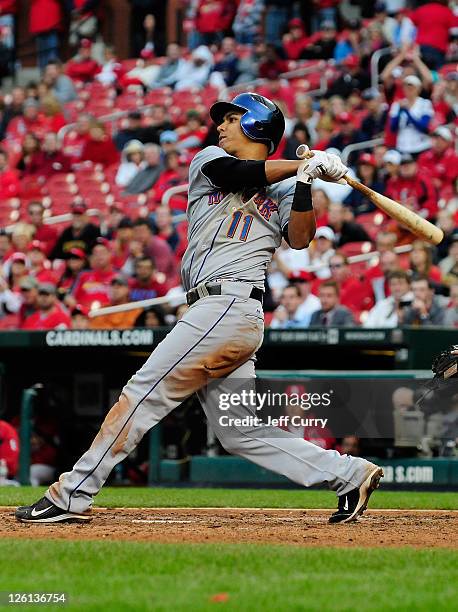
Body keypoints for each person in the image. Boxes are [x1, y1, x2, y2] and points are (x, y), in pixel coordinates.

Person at [16, 93, 383, 525]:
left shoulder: (286, 187)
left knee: (142, 395)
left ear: (258, 128)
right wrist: (304, 166)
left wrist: (305, 183)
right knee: (239, 430)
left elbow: (300, 238)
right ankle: (348, 473)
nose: (221, 126)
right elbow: (238, 172)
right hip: (214, 311)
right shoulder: (208, 160)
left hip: (230, 307)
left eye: (232, 119)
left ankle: (72, 494)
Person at [388, 75, 434, 156]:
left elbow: (423, 127)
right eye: (406, 87)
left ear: (419, 89)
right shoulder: (397, 105)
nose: (409, 90)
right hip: (403, 146)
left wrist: (407, 111)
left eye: (412, 87)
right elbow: (393, 128)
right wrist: (399, 111)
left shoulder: (425, 103)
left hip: (421, 146)